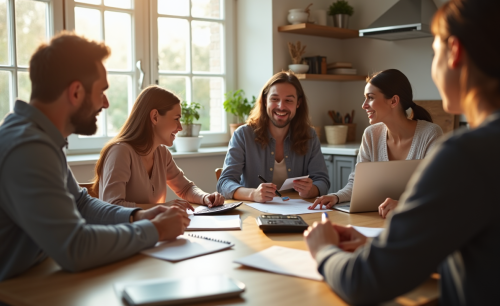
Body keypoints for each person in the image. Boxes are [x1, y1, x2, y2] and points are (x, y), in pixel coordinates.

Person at [304, 0, 500, 305]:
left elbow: (365, 283)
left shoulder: (466, 156)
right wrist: (389, 248)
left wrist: (323, 249)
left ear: (454, 52)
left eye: (433, 51)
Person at [0, 32, 190, 282]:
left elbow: (81, 203)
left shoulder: (42, 140)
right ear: (76, 92)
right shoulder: (27, 148)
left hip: (36, 276)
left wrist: (137, 216)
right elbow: (75, 247)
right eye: (101, 91)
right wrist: (155, 230)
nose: (106, 103)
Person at [309, 69, 443, 218]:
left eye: (370, 98)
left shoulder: (430, 134)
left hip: (416, 221)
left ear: (393, 101)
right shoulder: (371, 134)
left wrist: (402, 205)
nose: (364, 105)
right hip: (377, 219)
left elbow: (435, 190)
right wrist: (336, 197)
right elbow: (358, 184)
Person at [94, 85, 225, 208]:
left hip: (153, 230)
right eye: (176, 119)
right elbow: (112, 206)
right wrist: (162, 207)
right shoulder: (120, 152)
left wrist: (205, 197)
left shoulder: (162, 153)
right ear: (155, 117)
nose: (180, 127)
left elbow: (185, 188)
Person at [217, 71, 330, 202]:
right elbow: (224, 183)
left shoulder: (310, 135)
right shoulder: (243, 135)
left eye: (288, 100)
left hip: (299, 212)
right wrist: (253, 194)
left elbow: (322, 180)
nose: (281, 106)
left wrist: (311, 190)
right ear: (265, 101)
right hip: (254, 214)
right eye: (274, 99)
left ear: (298, 103)